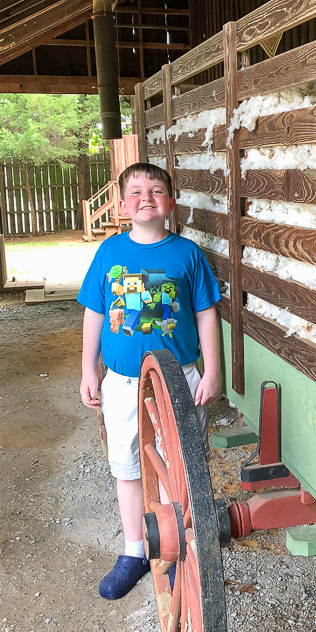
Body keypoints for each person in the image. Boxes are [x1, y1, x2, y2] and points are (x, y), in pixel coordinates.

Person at [78, 162, 221, 599]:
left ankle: (179, 550)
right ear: (122, 206)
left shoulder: (187, 254)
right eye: (136, 191)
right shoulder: (108, 253)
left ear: (170, 203)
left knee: (179, 466)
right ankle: (135, 550)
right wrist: (88, 367)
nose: (146, 197)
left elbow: (205, 313)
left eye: (156, 191)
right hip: (122, 381)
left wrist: (213, 369)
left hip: (178, 379)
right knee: (129, 466)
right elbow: (94, 313)